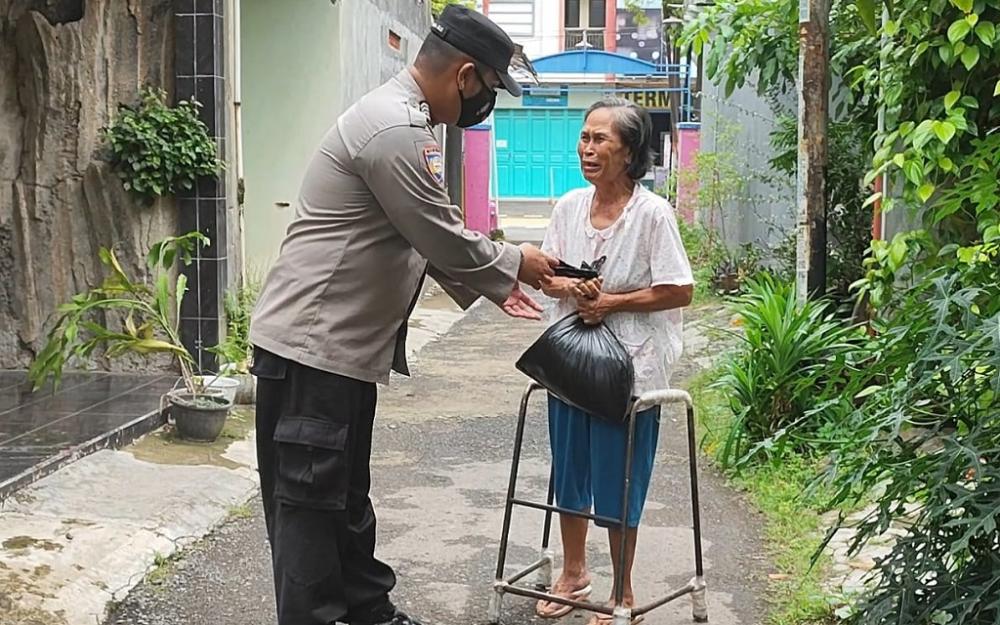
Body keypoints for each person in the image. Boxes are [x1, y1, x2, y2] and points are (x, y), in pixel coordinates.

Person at [248, 7, 558, 625]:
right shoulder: (394, 128)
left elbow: (414, 231)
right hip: (313, 350)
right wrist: (513, 263)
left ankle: (368, 612)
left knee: (341, 495)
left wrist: (492, 284)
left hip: (339, 353)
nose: (485, 106)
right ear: (465, 76)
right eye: (490, 90)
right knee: (311, 503)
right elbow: (437, 230)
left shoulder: (403, 120)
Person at [534, 98, 694, 625]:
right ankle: (573, 572)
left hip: (631, 369)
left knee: (619, 478)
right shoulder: (567, 208)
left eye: (601, 139)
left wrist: (613, 301)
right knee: (571, 471)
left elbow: (679, 290)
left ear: (628, 152)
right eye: (585, 137)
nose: (588, 148)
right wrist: (571, 287)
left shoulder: (652, 214)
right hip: (570, 363)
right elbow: (546, 274)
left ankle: (623, 591)